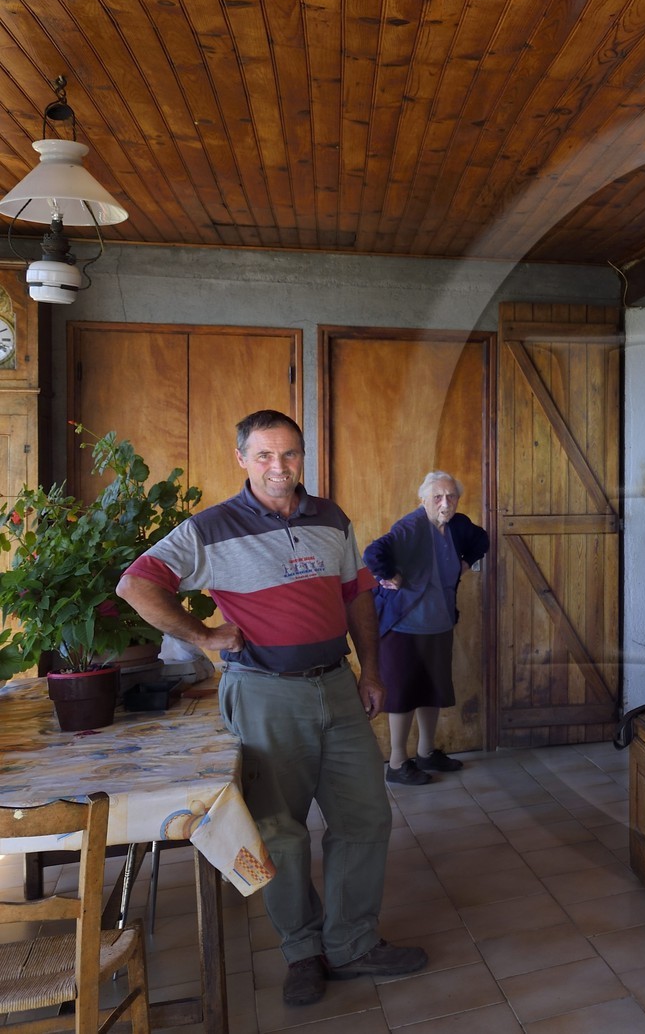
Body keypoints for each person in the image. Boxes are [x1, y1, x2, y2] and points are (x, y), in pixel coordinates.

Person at [117, 410, 425, 1008]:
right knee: (279, 833)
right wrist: (203, 635)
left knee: (366, 818)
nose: (278, 468)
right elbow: (137, 583)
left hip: (337, 684)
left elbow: (355, 593)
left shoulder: (330, 517)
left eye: (288, 455)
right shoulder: (212, 528)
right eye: (264, 455)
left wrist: (374, 671)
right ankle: (302, 951)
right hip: (262, 692)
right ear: (241, 459)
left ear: (301, 456)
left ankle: (353, 943)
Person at [363, 471, 489, 786]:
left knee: (432, 690)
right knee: (404, 694)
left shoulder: (458, 525)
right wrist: (389, 575)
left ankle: (426, 752)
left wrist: (467, 560)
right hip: (404, 626)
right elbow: (372, 553)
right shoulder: (412, 526)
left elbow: (482, 539)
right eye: (437, 497)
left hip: (439, 622)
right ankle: (396, 763)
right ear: (424, 500)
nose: (445, 503)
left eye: (451, 496)